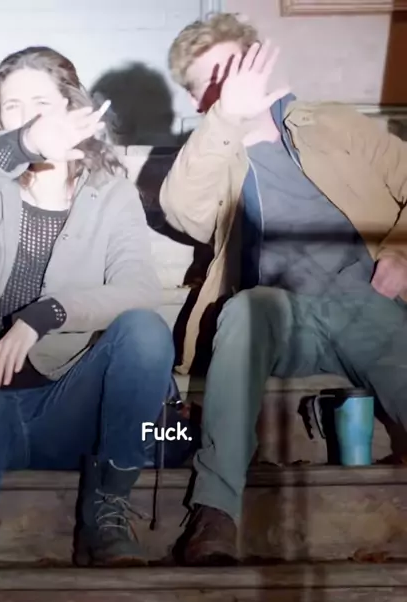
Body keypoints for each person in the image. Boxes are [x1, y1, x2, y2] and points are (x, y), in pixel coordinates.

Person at [0, 46, 175, 602]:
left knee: (145, 331)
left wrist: (47, 314)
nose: (30, 116)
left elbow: (140, 287)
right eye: (13, 107)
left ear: (73, 107)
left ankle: (107, 510)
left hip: (62, 410)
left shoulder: (109, 193)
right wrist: (26, 144)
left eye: (41, 102)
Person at [160, 13, 407, 566]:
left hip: (363, 294)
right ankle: (215, 513)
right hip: (278, 314)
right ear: (200, 101)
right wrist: (225, 119)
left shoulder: (332, 123)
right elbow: (182, 211)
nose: (231, 85)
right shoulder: (213, 155)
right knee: (246, 311)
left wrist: (401, 253)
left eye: (235, 68)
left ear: (262, 65)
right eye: (213, 82)